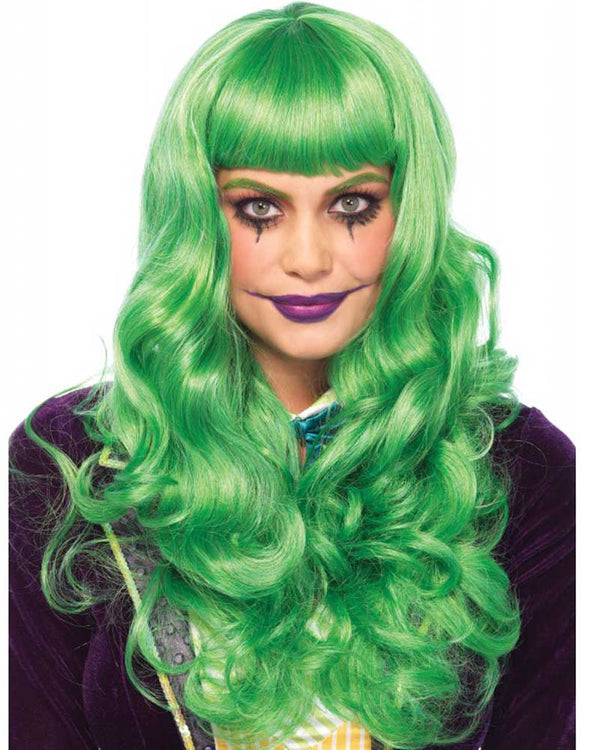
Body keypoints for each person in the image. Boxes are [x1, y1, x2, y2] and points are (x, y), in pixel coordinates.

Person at [8, 3, 575, 749]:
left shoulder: (518, 467)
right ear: (198, 217)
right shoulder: (76, 462)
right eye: (259, 208)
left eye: (352, 205)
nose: (308, 259)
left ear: (410, 214)